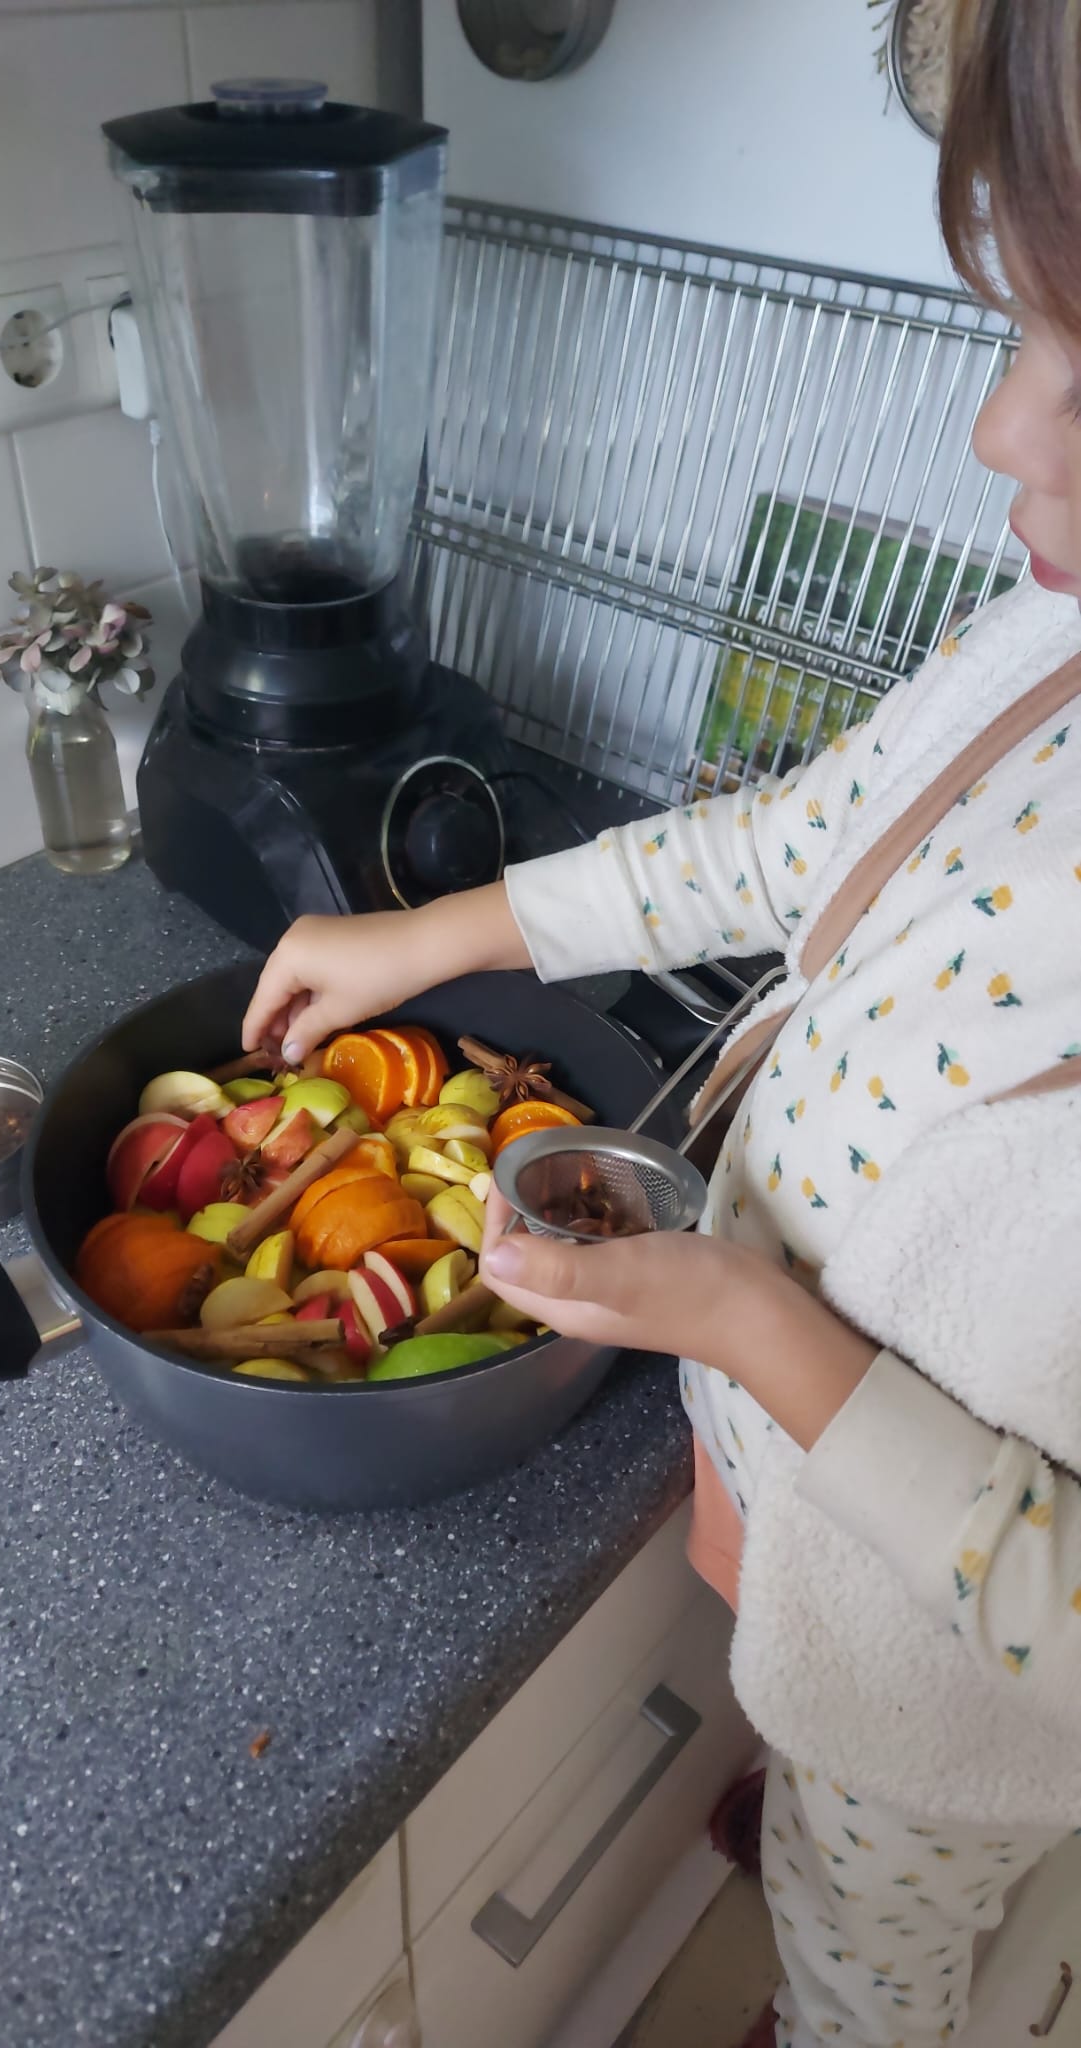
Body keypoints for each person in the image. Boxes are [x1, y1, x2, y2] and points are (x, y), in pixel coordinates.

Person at [243, 4, 1081, 2039]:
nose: (998, 432)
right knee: (819, 1773)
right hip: (806, 1518)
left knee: (874, 1926)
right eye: (1024, 330)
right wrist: (434, 933)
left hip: (946, 1684)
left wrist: (745, 1323)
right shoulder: (1044, 644)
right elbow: (791, 842)